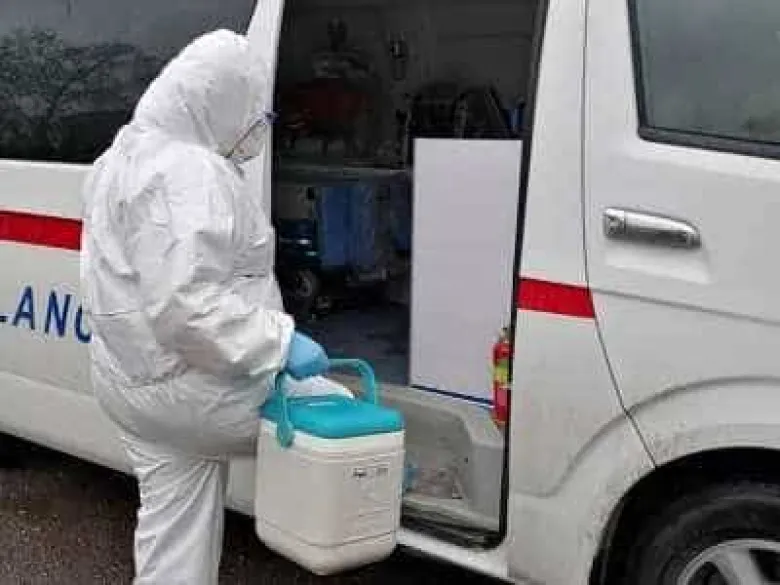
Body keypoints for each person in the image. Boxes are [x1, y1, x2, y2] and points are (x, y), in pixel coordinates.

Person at [79, 29, 351, 585]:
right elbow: (185, 309)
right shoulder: (190, 172)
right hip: (193, 388)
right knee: (344, 413)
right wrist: (278, 343)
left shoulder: (119, 157)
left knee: (175, 531)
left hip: (126, 380)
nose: (258, 127)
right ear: (219, 100)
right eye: (252, 111)